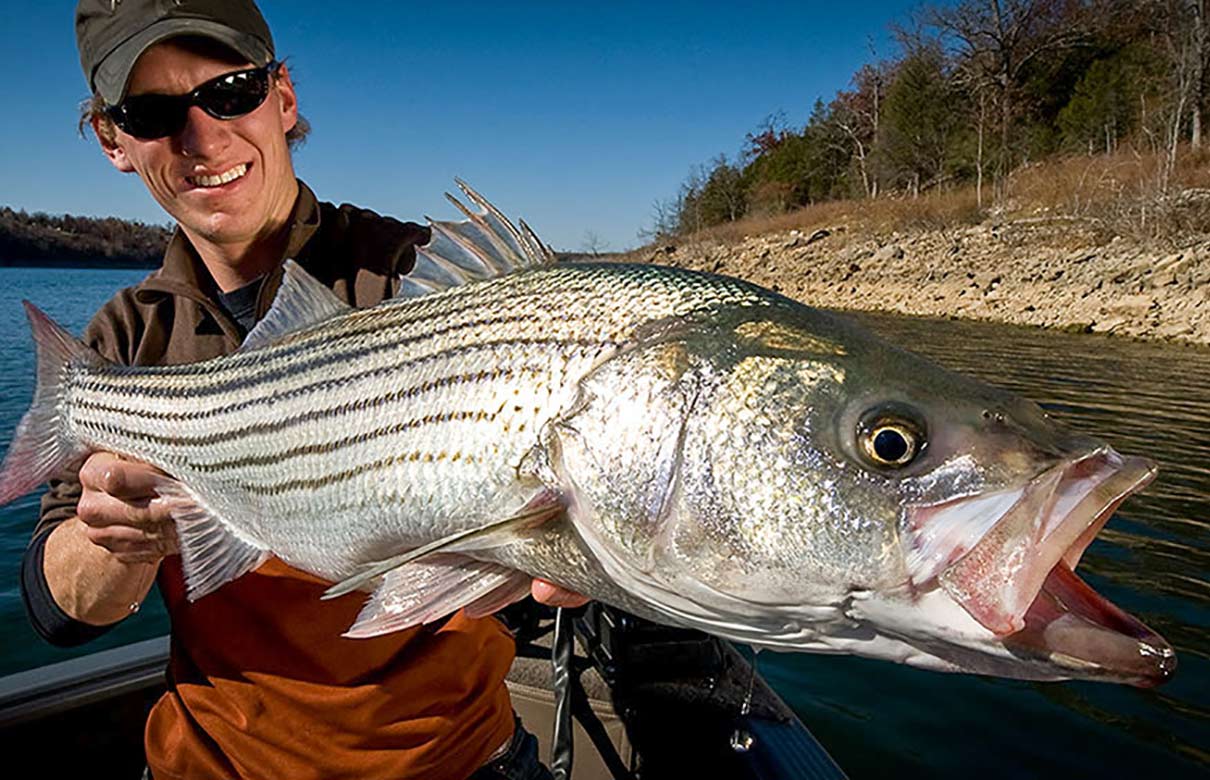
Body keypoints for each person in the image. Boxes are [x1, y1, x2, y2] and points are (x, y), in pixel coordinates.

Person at [21, 2, 586, 778]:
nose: (204, 138)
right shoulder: (124, 339)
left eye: (233, 90)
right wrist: (116, 541)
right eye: (152, 112)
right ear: (114, 140)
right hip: (214, 763)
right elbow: (61, 613)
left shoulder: (418, 277)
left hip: (458, 760)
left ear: (284, 98)